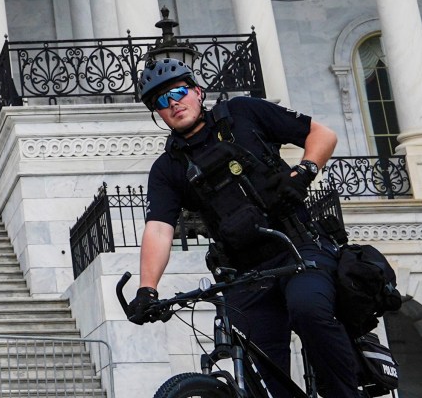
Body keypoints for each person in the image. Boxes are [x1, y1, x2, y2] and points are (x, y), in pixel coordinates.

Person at [125, 58, 354, 398]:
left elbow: (322, 134)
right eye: (161, 100)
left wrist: (304, 172)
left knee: (309, 309)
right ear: (158, 113)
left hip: (298, 248)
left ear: (197, 92)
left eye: (178, 91)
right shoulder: (168, 168)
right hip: (245, 271)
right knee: (259, 368)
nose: (172, 102)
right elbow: (159, 228)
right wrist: (147, 288)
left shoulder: (244, 113)